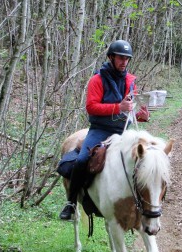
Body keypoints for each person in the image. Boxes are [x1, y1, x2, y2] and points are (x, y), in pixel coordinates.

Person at [59, 39, 150, 220]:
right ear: (111, 57)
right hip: (100, 129)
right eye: (120, 58)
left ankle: (144, 201)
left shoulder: (131, 82)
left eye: (127, 58)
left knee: (146, 159)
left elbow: (132, 109)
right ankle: (71, 202)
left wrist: (143, 114)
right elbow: (91, 107)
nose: (124, 61)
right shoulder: (97, 80)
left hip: (124, 131)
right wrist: (118, 107)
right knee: (82, 160)